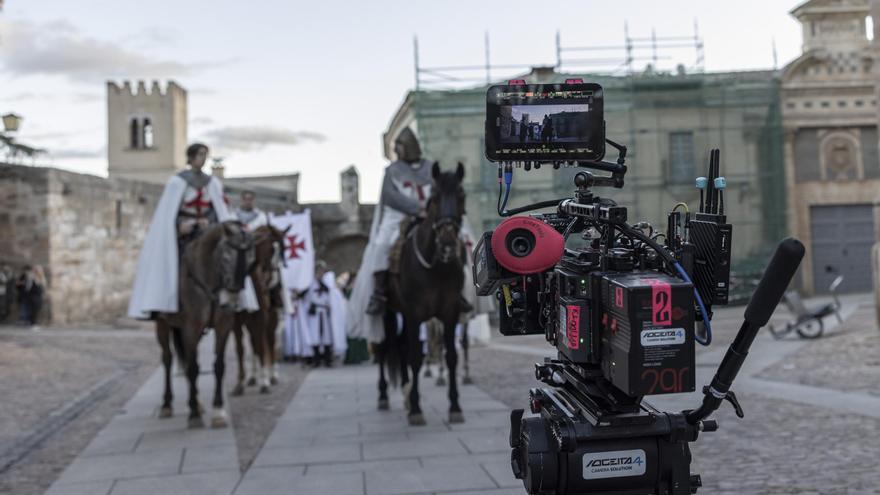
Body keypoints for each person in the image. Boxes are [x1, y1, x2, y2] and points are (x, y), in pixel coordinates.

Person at [346, 127, 473, 345]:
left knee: (459, 241)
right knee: (381, 245)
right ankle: (380, 292)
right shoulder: (392, 171)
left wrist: (431, 208)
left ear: (410, 146)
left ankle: (458, 292)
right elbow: (390, 197)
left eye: (400, 146)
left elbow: (440, 190)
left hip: (431, 214)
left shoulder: (430, 167)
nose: (398, 151)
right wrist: (416, 208)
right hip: (399, 216)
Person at [127, 143, 258, 319]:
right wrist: (180, 224)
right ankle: (166, 299)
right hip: (185, 233)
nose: (202, 158)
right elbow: (168, 214)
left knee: (229, 255)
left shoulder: (212, 183)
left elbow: (219, 209)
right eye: (199, 154)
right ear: (191, 157)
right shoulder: (177, 181)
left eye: (205, 154)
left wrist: (209, 221)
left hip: (207, 229)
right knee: (175, 258)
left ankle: (231, 297)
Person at [298, 261, 347, 367]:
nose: (320, 274)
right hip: (315, 313)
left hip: (324, 313)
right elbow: (303, 296)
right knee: (314, 337)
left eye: (322, 272)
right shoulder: (310, 284)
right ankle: (316, 360)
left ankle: (327, 359)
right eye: (318, 272)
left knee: (326, 337)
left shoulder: (327, 284)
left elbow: (332, 296)